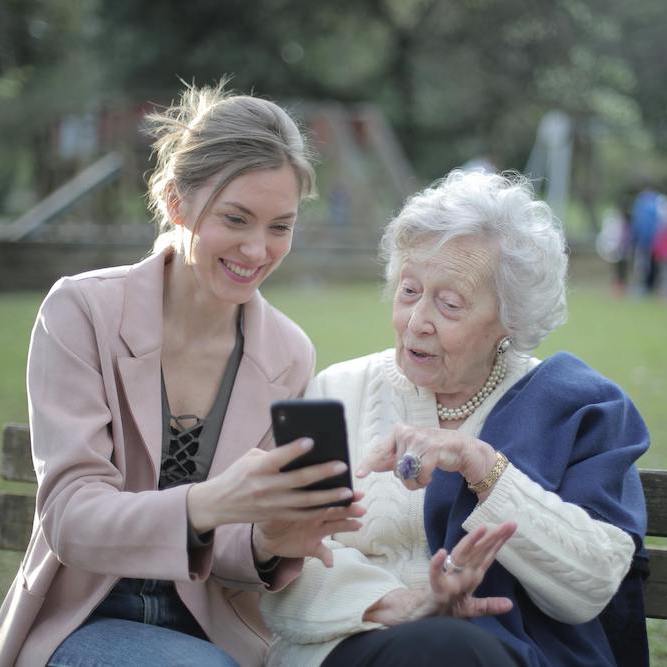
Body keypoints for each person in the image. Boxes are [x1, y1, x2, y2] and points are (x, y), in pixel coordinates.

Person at [0, 82, 369, 667]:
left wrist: (269, 542)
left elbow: (233, 546)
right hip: (84, 621)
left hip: (217, 634)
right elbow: (72, 517)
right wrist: (207, 502)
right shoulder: (81, 311)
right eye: (236, 218)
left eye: (281, 226)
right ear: (177, 202)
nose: (257, 249)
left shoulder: (288, 353)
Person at [260, 170, 649, 667]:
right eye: (408, 291)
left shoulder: (578, 409)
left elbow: (592, 585)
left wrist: (483, 466)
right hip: (350, 647)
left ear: (510, 319)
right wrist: (403, 604)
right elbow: (284, 557)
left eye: (449, 304)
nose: (417, 320)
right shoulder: (338, 391)